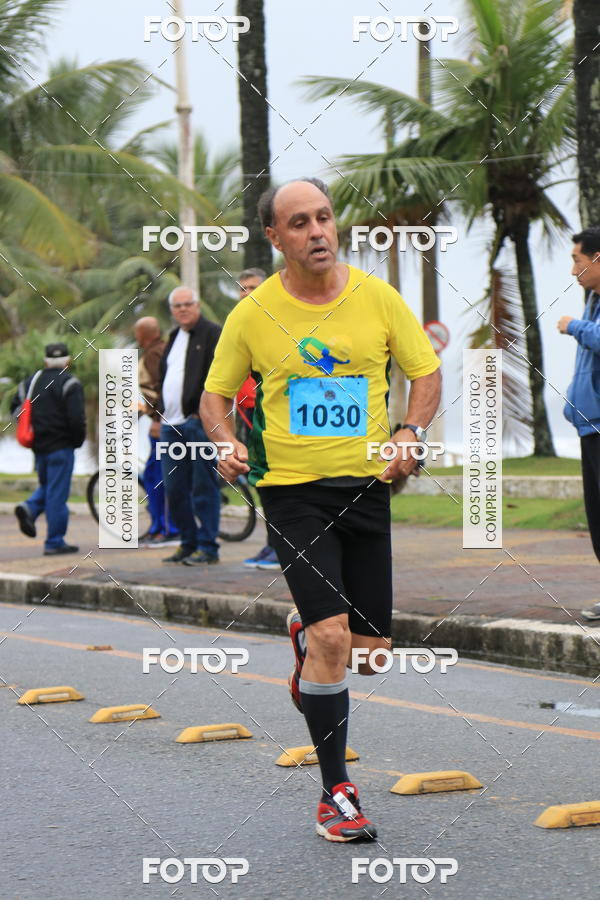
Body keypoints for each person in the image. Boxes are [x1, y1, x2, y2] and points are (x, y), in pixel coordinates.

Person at [201, 178, 441, 841]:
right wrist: (223, 443)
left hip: (366, 490)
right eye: (300, 222)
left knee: (369, 656)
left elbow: (425, 373)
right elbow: (214, 397)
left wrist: (410, 431)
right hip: (293, 492)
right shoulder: (254, 314)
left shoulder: (377, 298)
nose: (317, 232)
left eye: (324, 218)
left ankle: (307, 641)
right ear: (275, 237)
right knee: (335, 638)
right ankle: (336, 793)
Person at [158, 286, 222, 565]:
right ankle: (188, 543)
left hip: (198, 424)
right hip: (170, 426)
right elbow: (165, 376)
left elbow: (220, 378)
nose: (183, 309)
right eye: (177, 305)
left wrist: (202, 414)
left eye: (187, 304)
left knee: (203, 487)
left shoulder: (212, 333)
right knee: (173, 489)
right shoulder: (174, 337)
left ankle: (208, 547)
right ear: (172, 311)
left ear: (197, 305)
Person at [558, 226, 600, 620]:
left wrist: (574, 326)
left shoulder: (585, 315)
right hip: (590, 427)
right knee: (596, 518)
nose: (573, 270)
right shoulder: (593, 300)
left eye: (578, 261)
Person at [11, 342, 86, 555]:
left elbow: (15, 410)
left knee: (49, 486)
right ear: (68, 361)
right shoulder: (70, 383)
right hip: (61, 447)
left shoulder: (30, 382)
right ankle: (54, 541)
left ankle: (30, 507)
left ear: (45, 361)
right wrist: (77, 441)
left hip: (38, 446)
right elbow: (76, 419)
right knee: (57, 494)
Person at [235, 268, 281, 572]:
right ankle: (272, 543)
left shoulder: (276, 324)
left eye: (253, 287)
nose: (247, 293)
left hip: (271, 415)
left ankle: (281, 547)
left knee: (276, 482)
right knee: (262, 481)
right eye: (242, 288)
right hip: (247, 417)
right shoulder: (239, 326)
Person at [135, 317, 179, 546]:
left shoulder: (153, 354)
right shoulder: (165, 349)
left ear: (143, 334)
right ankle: (161, 526)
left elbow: (161, 389)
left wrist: (158, 418)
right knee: (160, 474)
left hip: (163, 425)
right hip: (169, 421)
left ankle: (166, 528)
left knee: (156, 476)